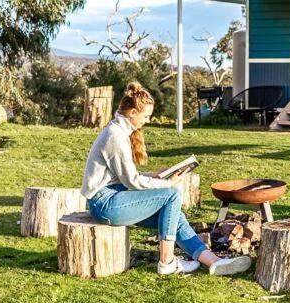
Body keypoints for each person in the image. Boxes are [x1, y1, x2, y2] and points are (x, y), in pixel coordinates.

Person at [81, 82, 250, 276]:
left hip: (113, 198)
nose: (147, 120)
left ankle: (214, 262)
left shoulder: (118, 131)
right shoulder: (115, 135)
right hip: (104, 204)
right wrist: (168, 183)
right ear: (133, 112)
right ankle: (167, 262)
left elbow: (121, 176)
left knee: (173, 213)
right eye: (146, 116)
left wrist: (153, 176)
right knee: (171, 196)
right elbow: (131, 182)